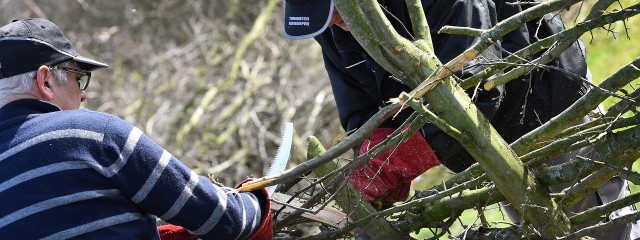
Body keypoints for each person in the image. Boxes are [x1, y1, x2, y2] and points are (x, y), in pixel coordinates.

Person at [283, 0, 639, 238]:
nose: (332, 22)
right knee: (538, 226)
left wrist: (403, 156)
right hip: (483, 143)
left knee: (597, 226)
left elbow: (477, 88)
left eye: (333, 9)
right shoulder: (332, 26)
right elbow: (361, 112)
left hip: (546, 103)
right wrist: (375, 156)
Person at [0, 18, 272, 240]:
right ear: (46, 81)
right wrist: (258, 200)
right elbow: (223, 219)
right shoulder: (94, 134)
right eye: (78, 78)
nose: (83, 96)